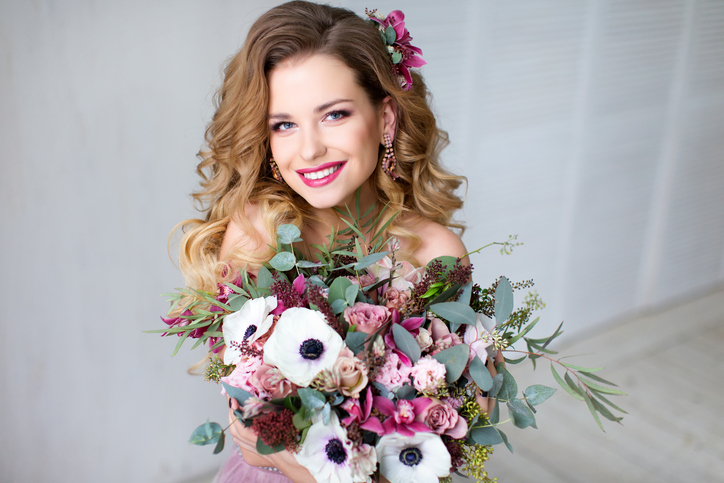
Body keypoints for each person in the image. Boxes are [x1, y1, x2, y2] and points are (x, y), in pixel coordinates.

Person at [175, 2, 476, 481]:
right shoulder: (259, 234)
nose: (309, 149)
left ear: (386, 117)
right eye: (284, 124)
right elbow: (248, 433)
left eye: (334, 115)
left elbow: (451, 429)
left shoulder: (437, 254)